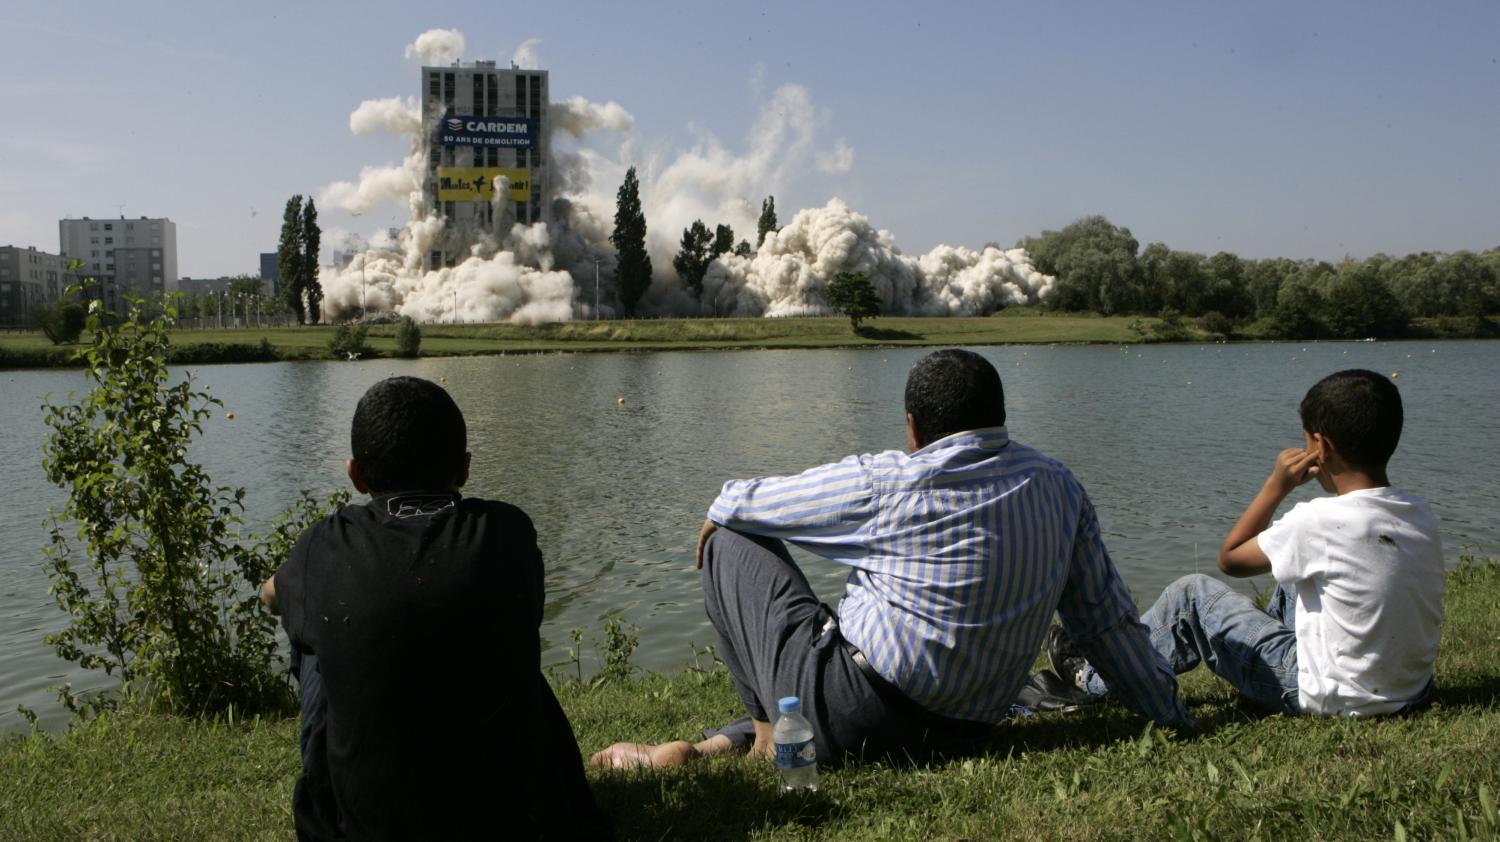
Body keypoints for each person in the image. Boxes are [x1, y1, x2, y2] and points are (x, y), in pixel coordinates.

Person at [590, 349, 1189, 771]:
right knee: (837, 656)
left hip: (857, 720)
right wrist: (1169, 713)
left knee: (731, 540)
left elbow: (743, 500)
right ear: (1000, 416)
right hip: (969, 732)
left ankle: (773, 741)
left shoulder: (891, 483)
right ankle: (713, 746)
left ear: (912, 426)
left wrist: (722, 511)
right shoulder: (1060, 488)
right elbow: (1104, 623)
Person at [259, 376, 609, 841]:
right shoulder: (507, 532)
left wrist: (301, 584)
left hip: (359, 830)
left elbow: (270, 596)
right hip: (526, 827)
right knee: (493, 639)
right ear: (464, 469)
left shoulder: (325, 544)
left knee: (312, 638)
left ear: (356, 475)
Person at [1051, 369, 1443, 717]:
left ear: (1320, 449)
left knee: (1191, 595)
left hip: (1333, 695)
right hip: (1408, 689)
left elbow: (1231, 559)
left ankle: (1094, 677)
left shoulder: (1318, 520)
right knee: (1293, 577)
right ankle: (1254, 656)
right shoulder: (1419, 513)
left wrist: (1278, 485)